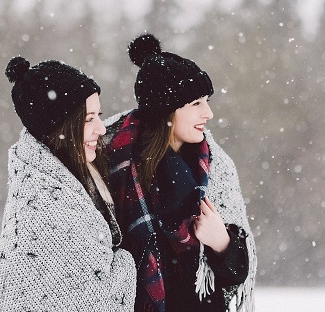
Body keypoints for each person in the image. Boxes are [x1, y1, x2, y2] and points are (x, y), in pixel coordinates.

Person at [104, 34, 256, 312]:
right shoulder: (115, 165)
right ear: (166, 110)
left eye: (206, 101)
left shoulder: (216, 167)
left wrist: (222, 243)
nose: (208, 113)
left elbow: (236, 275)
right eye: (196, 103)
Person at [0, 57, 136, 312]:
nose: (101, 129)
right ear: (61, 127)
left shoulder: (69, 179)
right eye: (88, 119)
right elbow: (94, 302)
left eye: (99, 116)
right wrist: (126, 264)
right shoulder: (48, 206)